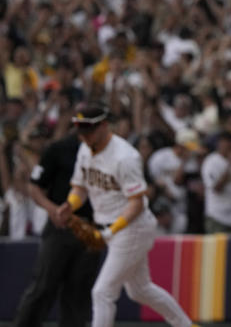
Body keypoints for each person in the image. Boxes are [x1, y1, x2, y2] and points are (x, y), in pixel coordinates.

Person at [57, 103, 197, 327]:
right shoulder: (85, 148)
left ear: (104, 125)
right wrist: (69, 205)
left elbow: (137, 202)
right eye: (80, 129)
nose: (84, 134)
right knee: (140, 290)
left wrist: (111, 232)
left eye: (88, 129)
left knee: (102, 292)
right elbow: (80, 187)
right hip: (111, 226)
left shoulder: (125, 156)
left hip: (132, 227)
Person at [13, 131, 101, 327]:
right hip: (61, 226)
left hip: (91, 229)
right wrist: (53, 210)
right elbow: (35, 186)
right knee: (44, 285)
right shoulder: (58, 149)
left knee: (79, 290)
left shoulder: (109, 153)